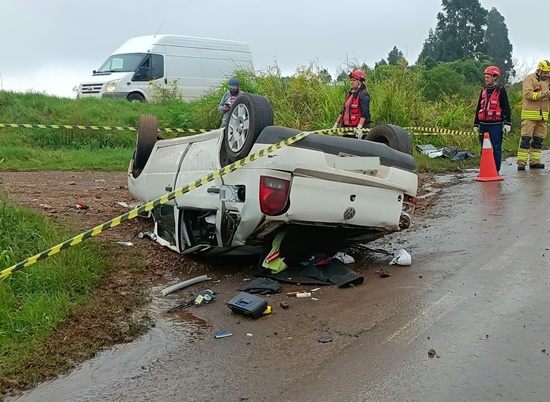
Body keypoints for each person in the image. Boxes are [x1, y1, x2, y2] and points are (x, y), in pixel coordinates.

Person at [473, 65, 511, 173]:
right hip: (483, 125)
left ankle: (496, 170)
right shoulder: (483, 90)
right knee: (484, 149)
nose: (486, 79)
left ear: (495, 77)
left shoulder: (501, 90)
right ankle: (485, 169)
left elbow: (506, 107)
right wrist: (476, 124)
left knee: (496, 148)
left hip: (495, 125)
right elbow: (479, 107)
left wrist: (508, 123)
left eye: (488, 77)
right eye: (485, 77)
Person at [516, 60, 550, 170]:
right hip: (530, 116)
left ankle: (535, 162)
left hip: (543, 116)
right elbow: (528, 95)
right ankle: (521, 162)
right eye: (545, 73)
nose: (547, 75)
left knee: (538, 141)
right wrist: (543, 94)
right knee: (525, 140)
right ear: (539, 71)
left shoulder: (548, 80)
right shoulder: (529, 79)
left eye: (548, 73)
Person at [333, 70, 372, 136]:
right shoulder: (349, 95)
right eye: (351, 80)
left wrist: (359, 127)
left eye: (354, 80)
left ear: (360, 82)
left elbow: (365, 113)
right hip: (347, 128)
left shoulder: (363, 95)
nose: (351, 82)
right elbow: (343, 111)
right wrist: (336, 124)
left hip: (358, 129)